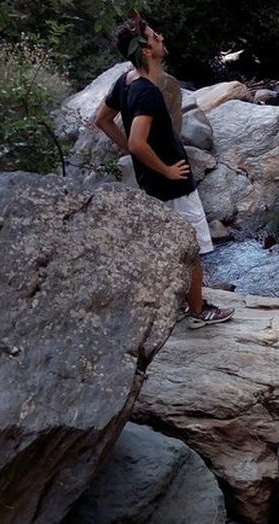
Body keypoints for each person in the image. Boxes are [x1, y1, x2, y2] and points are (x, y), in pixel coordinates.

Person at [95, 14, 233, 329]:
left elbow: (102, 120)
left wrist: (134, 153)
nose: (161, 37)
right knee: (193, 248)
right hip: (172, 185)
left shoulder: (126, 82)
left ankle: (189, 303)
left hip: (154, 183)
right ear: (145, 50)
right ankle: (198, 312)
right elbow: (137, 141)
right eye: (155, 36)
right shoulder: (146, 91)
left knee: (178, 246)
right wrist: (167, 169)